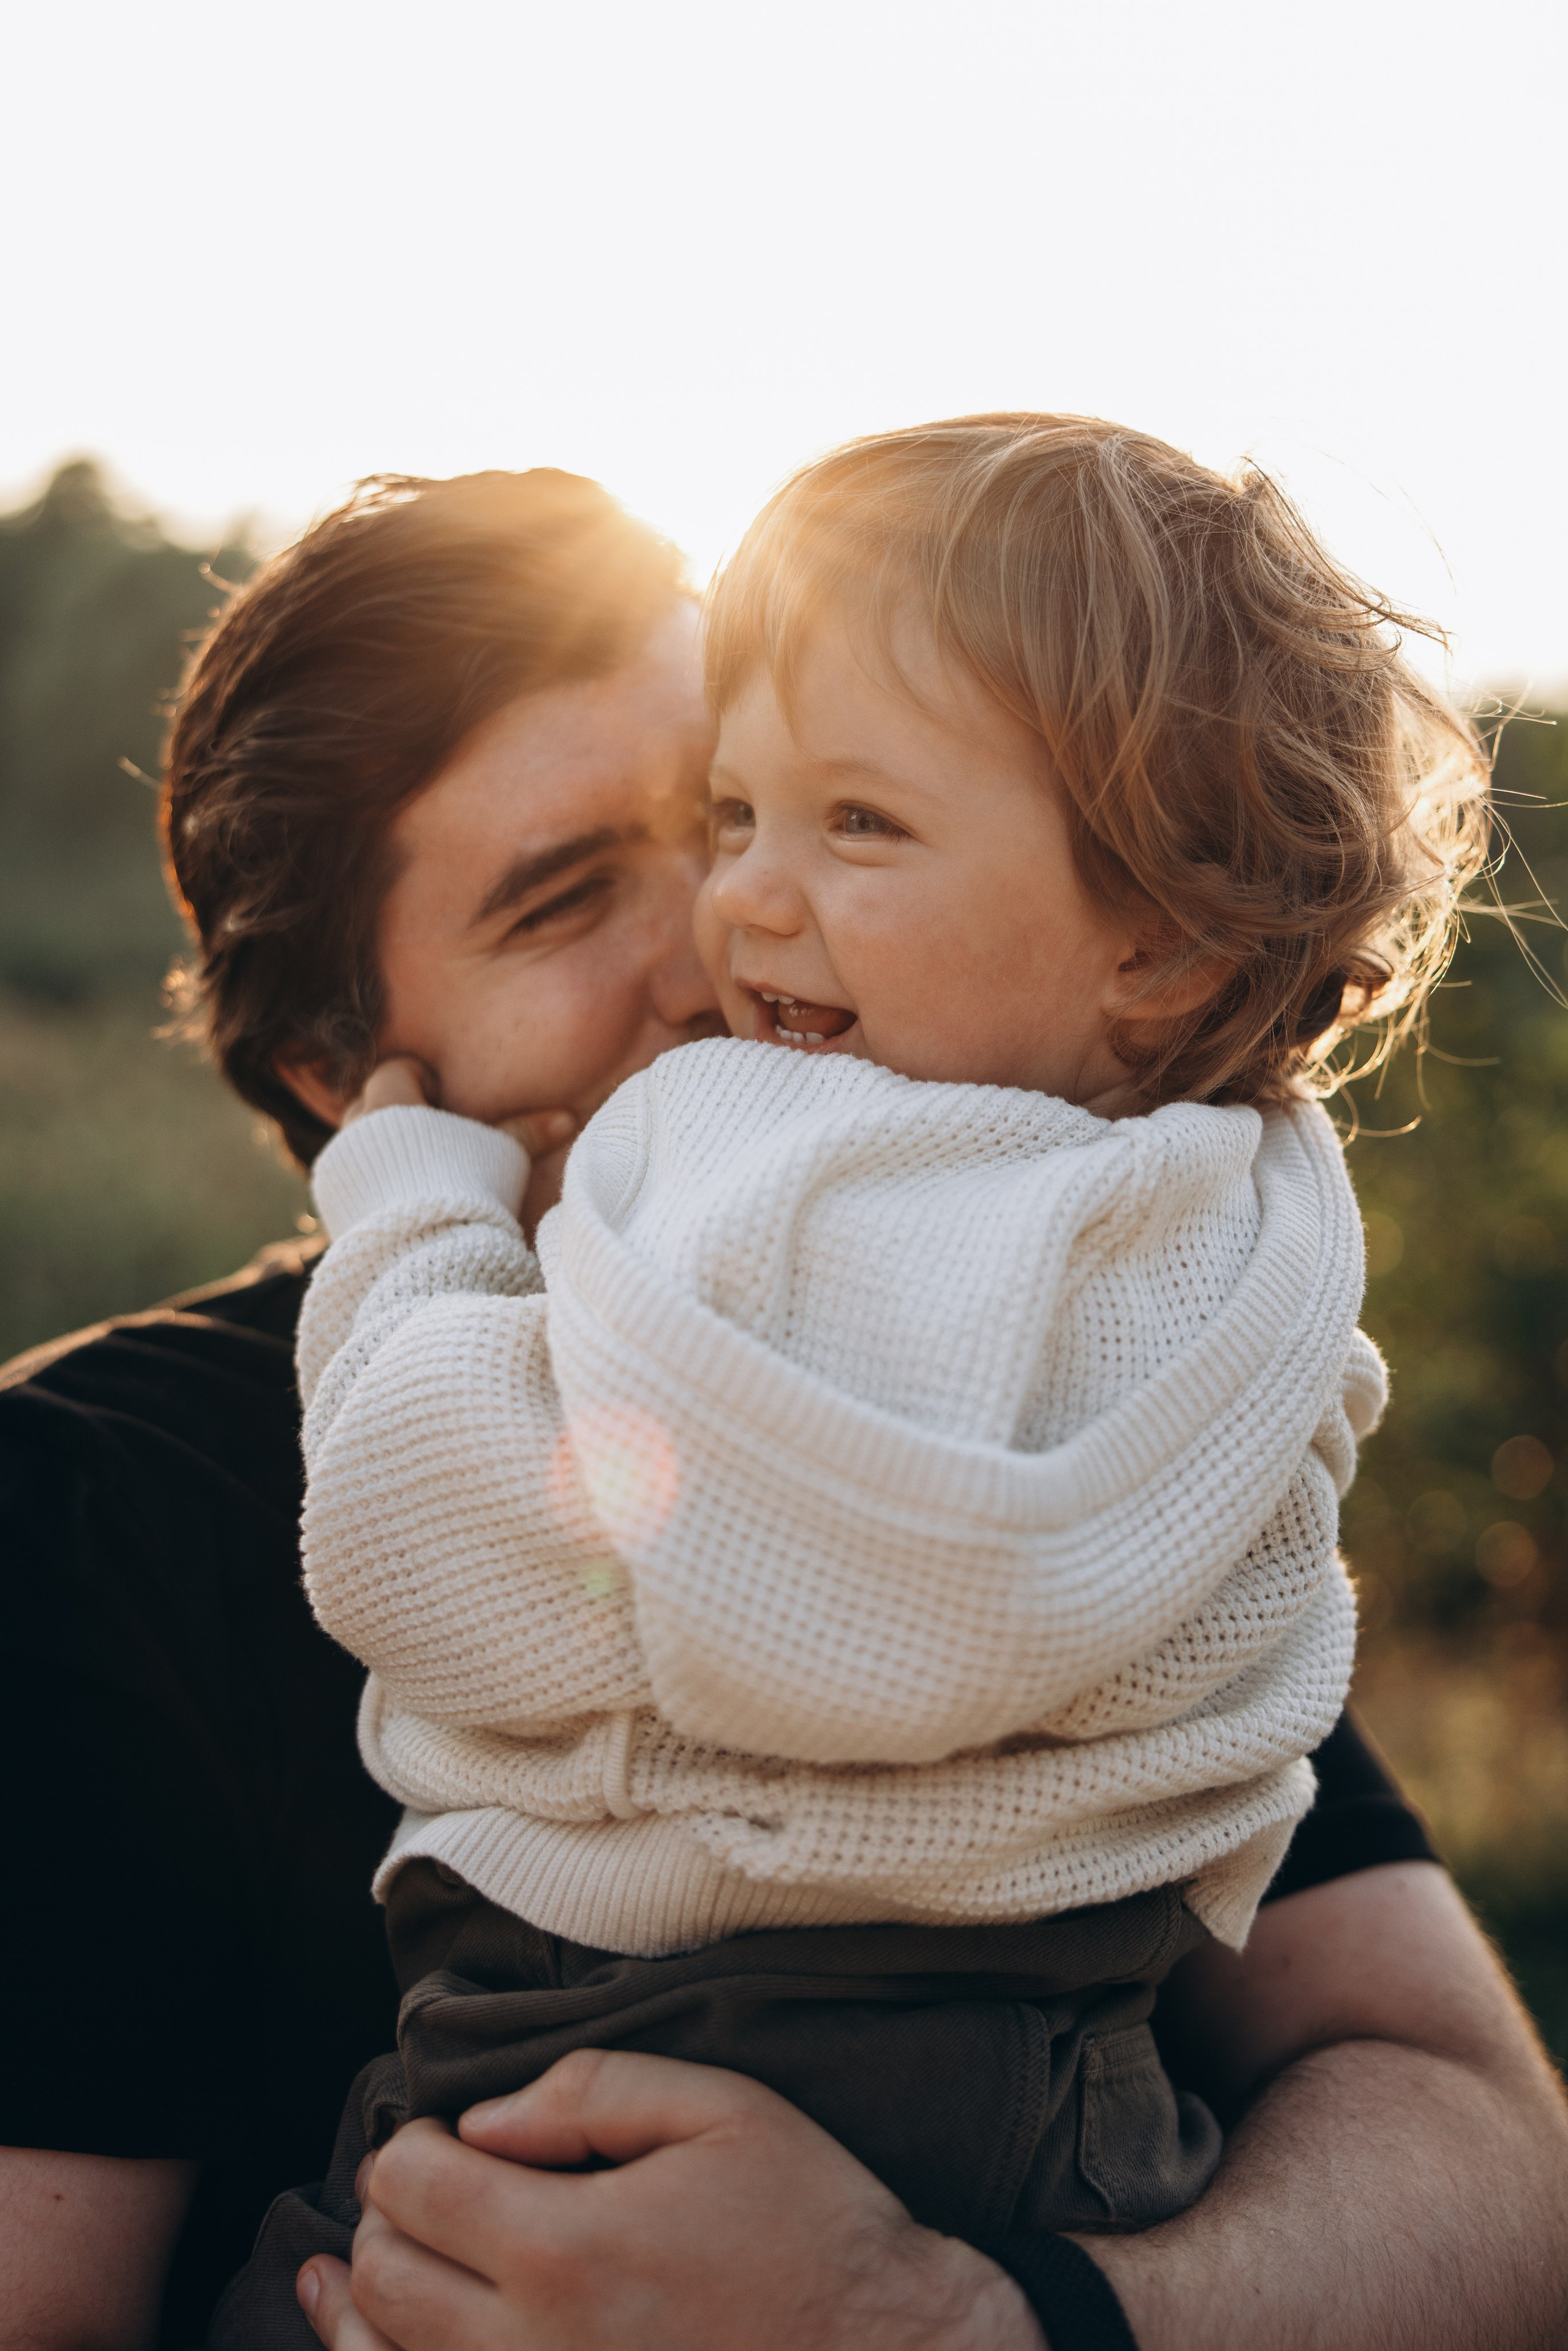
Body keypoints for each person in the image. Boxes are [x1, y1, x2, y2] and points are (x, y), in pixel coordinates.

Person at [1, 466, 1564, 2351]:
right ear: (350, 1075)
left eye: (764, 811)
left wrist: (978, 2323)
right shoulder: (89, 1515)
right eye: (572, 896)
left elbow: (1488, 2151)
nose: (741, 928)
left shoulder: (1029, 1354)